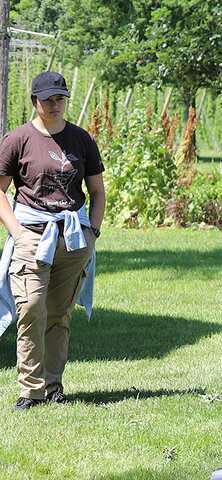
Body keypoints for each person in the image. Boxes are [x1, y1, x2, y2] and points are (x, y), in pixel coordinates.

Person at [0, 71, 105, 411]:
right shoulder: (18, 139)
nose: (55, 104)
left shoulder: (81, 139)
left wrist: (93, 232)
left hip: (74, 239)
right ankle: (29, 391)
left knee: (59, 315)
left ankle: (53, 386)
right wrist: (16, 232)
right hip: (32, 235)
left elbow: (97, 192)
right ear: (35, 101)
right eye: (48, 99)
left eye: (60, 98)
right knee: (31, 310)